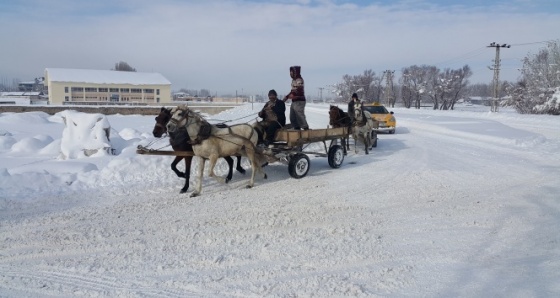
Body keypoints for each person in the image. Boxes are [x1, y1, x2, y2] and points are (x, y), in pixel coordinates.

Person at [283, 66, 309, 130]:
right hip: (294, 101)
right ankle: (296, 127)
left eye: (292, 72)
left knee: (299, 114)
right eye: (290, 72)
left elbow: (299, 89)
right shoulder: (293, 80)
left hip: (299, 101)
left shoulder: (299, 79)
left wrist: (293, 94)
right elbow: (292, 90)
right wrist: (286, 97)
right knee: (292, 116)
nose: (290, 74)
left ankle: (305, 128)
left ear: (295, 72)